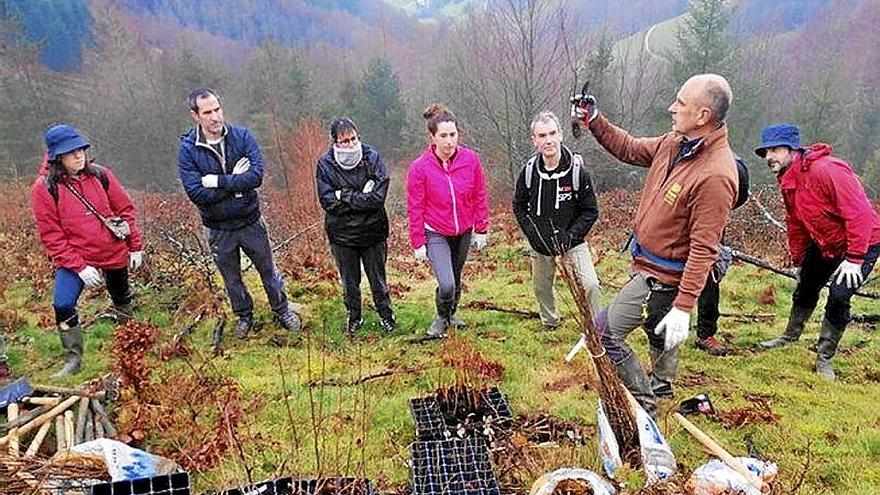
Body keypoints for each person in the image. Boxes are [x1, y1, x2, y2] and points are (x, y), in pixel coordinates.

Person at [573, 74, 738, 416]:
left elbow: (704, 248)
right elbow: (630, 148)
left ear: (703, 115)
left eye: (680, 103)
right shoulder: (676, 142)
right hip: (648, 264)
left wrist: (684, 305)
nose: (671, 108)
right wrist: (594, 120)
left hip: (663, 277)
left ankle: (643, 403)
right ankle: (662, 388)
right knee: (658, 327)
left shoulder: (716, 175)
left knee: (602, 334)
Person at [755, 123, 880, 380]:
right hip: (828, 242)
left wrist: (855, 258)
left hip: (864, 241)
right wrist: (800, 258)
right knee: (806, 286)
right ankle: (790, 336)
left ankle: (824, 357)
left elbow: (861, 214)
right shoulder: (788, 178)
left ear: (792, 149)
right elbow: (795, 221)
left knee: (839, 294)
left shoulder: (827, 170)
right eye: (766, 152)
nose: (769, 157)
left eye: (775, 150)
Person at [178, 87, 300, 338]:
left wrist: (217, 181)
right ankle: (244, 316)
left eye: (217, 109)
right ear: (195, 115)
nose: (215, 117)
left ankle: (282, 308)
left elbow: (255, 177)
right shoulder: (189, 149)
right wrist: (235, 183)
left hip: (250, 221)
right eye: (207, 112)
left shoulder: (242, 137)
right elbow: (196, 193)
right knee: (231, 278)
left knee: (268, 270)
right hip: (218, 227)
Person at [31, 124, 144, 377]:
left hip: (112, 252)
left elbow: (125, 210)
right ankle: (73, 359)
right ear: (57, 157)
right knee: (63, 304)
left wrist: (134, 245)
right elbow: (52, 235)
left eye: (80, 149)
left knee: (122, 298)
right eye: (71, 152)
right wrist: (79, 266)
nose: (78, 155)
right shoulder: (44, 188)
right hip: (75, 259)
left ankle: (132, 346)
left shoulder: (101, 175)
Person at [513, 111, 601, 330]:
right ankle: (550, 322)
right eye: (542, 135)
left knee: (590, 285)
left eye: (552, 133)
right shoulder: (529, 172)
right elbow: (519, 205)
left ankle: (597, 328)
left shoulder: (578, 171)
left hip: (572, 241)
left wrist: (571, 236)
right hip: (540, 243)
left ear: (561, 135)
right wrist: (532, 233)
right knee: (541, 287)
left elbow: (590, 210)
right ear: (534, 140)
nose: (548, 140)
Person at [407, 104, 489, 337]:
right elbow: (415, 207)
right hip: (436, 232)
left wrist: (481, 228)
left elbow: (480, 195)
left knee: (456, 276)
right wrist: (418, 242)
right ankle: (441, 317)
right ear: (432, 137)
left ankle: (451, 314)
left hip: (463, 230)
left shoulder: (471, 160)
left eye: (453, 134)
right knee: (447, 283)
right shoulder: (419, 168)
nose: (449, 141)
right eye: (443, 136)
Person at [316, 118, 395, 337]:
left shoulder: (372, 157)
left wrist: (344, 195)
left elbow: (378, 198)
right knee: (350, 282)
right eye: (344, 141)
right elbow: (328, 202)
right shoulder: (325, 164)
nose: (350, 145)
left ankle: (386, 315)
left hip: (373, 232)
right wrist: (361, 196)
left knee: (378, 280)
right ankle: (354, 316)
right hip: (342, 236)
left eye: (353, 139)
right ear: (335, 142)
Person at [694, 154, 750, 356]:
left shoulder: (734, 172)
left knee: (711, 275)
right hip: (680, 214)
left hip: (713, 219)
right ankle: (659, 325)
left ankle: (706, 335)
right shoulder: (688, 165)